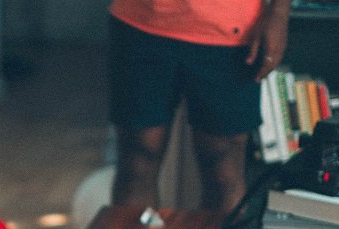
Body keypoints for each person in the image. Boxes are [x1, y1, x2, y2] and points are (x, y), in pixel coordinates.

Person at [108, 0, 291, 214]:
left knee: (224, 168)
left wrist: (279, 14)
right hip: (140, 22)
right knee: (137, 160)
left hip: (233, 31)